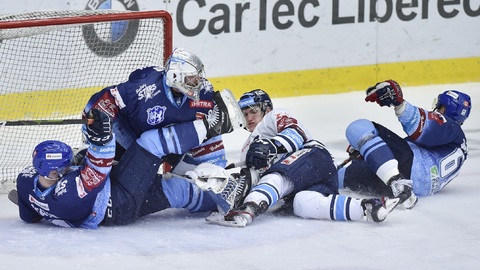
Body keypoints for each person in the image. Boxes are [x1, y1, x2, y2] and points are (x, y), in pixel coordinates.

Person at [15, 107, 247, 228]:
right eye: (65, 167)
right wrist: (102, 137)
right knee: (150, 143)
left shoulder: (26, 182)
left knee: (175, 190)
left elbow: (29, 216)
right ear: (53, 172)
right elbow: (100, 163)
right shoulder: (67, 194)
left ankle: (225, 193)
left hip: (107, 204)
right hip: (118, 201)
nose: (69, 167)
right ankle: (210, 126)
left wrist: (41, 207)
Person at [203, 89, 399, 227]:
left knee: (278, 176)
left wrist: (274, 145)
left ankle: (249, 209)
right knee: (303, 204)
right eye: (245, 114)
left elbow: (297, 132)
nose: (249, 118)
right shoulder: (247, 148)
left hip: (314, 157)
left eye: (253, 111)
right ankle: (368, 207)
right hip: (304, 185)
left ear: (267, 109)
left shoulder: (275, 117)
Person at [83, 47, 235, 174]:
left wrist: (217, 168)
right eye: (192, 78)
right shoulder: (143, 89)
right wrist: (94, 123)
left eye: (198, 77)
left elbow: (211, 128)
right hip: (129, 134)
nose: (198, 82)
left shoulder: (204, 92)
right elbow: (101, 103)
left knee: (207, 138)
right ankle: (84, 158)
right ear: (175, 77)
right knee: (129, 176)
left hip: (168, 142)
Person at [337, 80, 471, 209]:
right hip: (411, 184)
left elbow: (424, 128)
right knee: (335, 176)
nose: (436, 109)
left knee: (358, 128)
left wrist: (399, 104)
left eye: (440, 106)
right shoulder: (458, 144)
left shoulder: (452, 128)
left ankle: (397, 182)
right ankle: (396, 183)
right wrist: (370, 152)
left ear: (445, 110)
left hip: (406, 169)